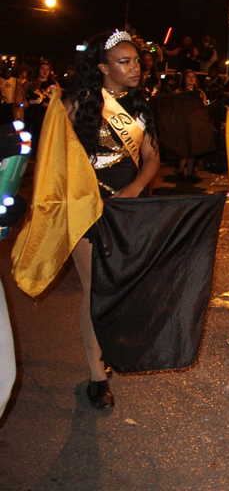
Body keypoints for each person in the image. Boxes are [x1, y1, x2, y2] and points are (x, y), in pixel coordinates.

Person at [63, 30, 161, 409]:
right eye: (125, 62)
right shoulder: (76, 105)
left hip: (128, 208)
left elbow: (152, 157)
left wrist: (136, 187)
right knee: (94, 291)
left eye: (136, 60)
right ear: (103, 68)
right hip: (87, 208)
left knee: (123, 286)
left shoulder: (139, 106)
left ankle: (112, 346)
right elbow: (56, 161)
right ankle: (96, 375)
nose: (135, 67)